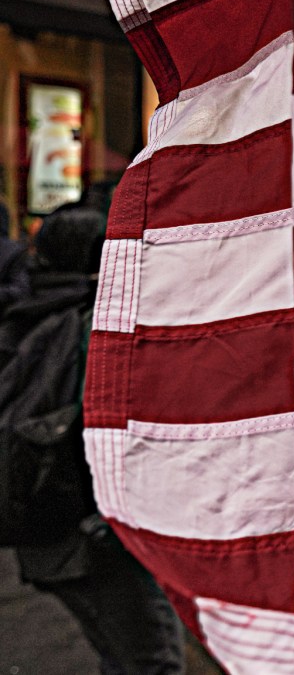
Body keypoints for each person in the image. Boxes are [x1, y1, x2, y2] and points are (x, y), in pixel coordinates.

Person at [3, 203, 183, 674]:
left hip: (48, 533)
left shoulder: (30, 313)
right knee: (152, 660)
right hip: (90, 537)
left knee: (124, 655)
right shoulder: (91, 326)